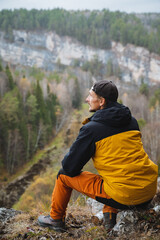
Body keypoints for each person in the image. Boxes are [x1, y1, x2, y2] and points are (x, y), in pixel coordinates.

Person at [38, 80, 158, 232]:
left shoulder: (91, 129)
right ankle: (109, 216)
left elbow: (69, 168)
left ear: (101, 101)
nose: (87, 99)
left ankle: (55, 219)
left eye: (90, 96)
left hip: (126, 196)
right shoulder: (131, 121)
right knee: (113, 177)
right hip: (148, 190)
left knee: (63, 176)